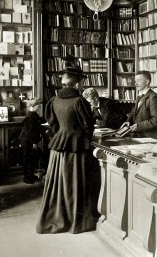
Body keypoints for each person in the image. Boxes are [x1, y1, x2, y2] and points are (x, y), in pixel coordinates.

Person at [36, 58, 98, 234]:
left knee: (58, 182)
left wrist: (63, 132)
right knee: (75, 182)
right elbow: (87, 126)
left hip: (59, 147)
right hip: (76, 147)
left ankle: (56, 216)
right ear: (77, 81)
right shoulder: (79, 101)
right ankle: (77, 220)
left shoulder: (54, 100)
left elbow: (53, 124)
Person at [121, 70, 157, 140]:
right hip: (139, 138)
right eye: (135, 81)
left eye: (139, 80)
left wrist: (138, 126)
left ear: (147, 82)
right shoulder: (139, 97)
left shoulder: (154, 97)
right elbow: (134, 113)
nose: (136, 83)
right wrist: (128, 121)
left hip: (150, 138)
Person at [19, 97, 45, 184]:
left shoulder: (33, 114)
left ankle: (31, 175)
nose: (40, 108)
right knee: (27, 158)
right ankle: (26, 177)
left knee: (32, 158)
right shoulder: (30, 116)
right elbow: (30, 131)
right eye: (38, 106)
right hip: (27, 140)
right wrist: (34, 143)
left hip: (28, 139)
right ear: (33, 106)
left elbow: (38, 122)